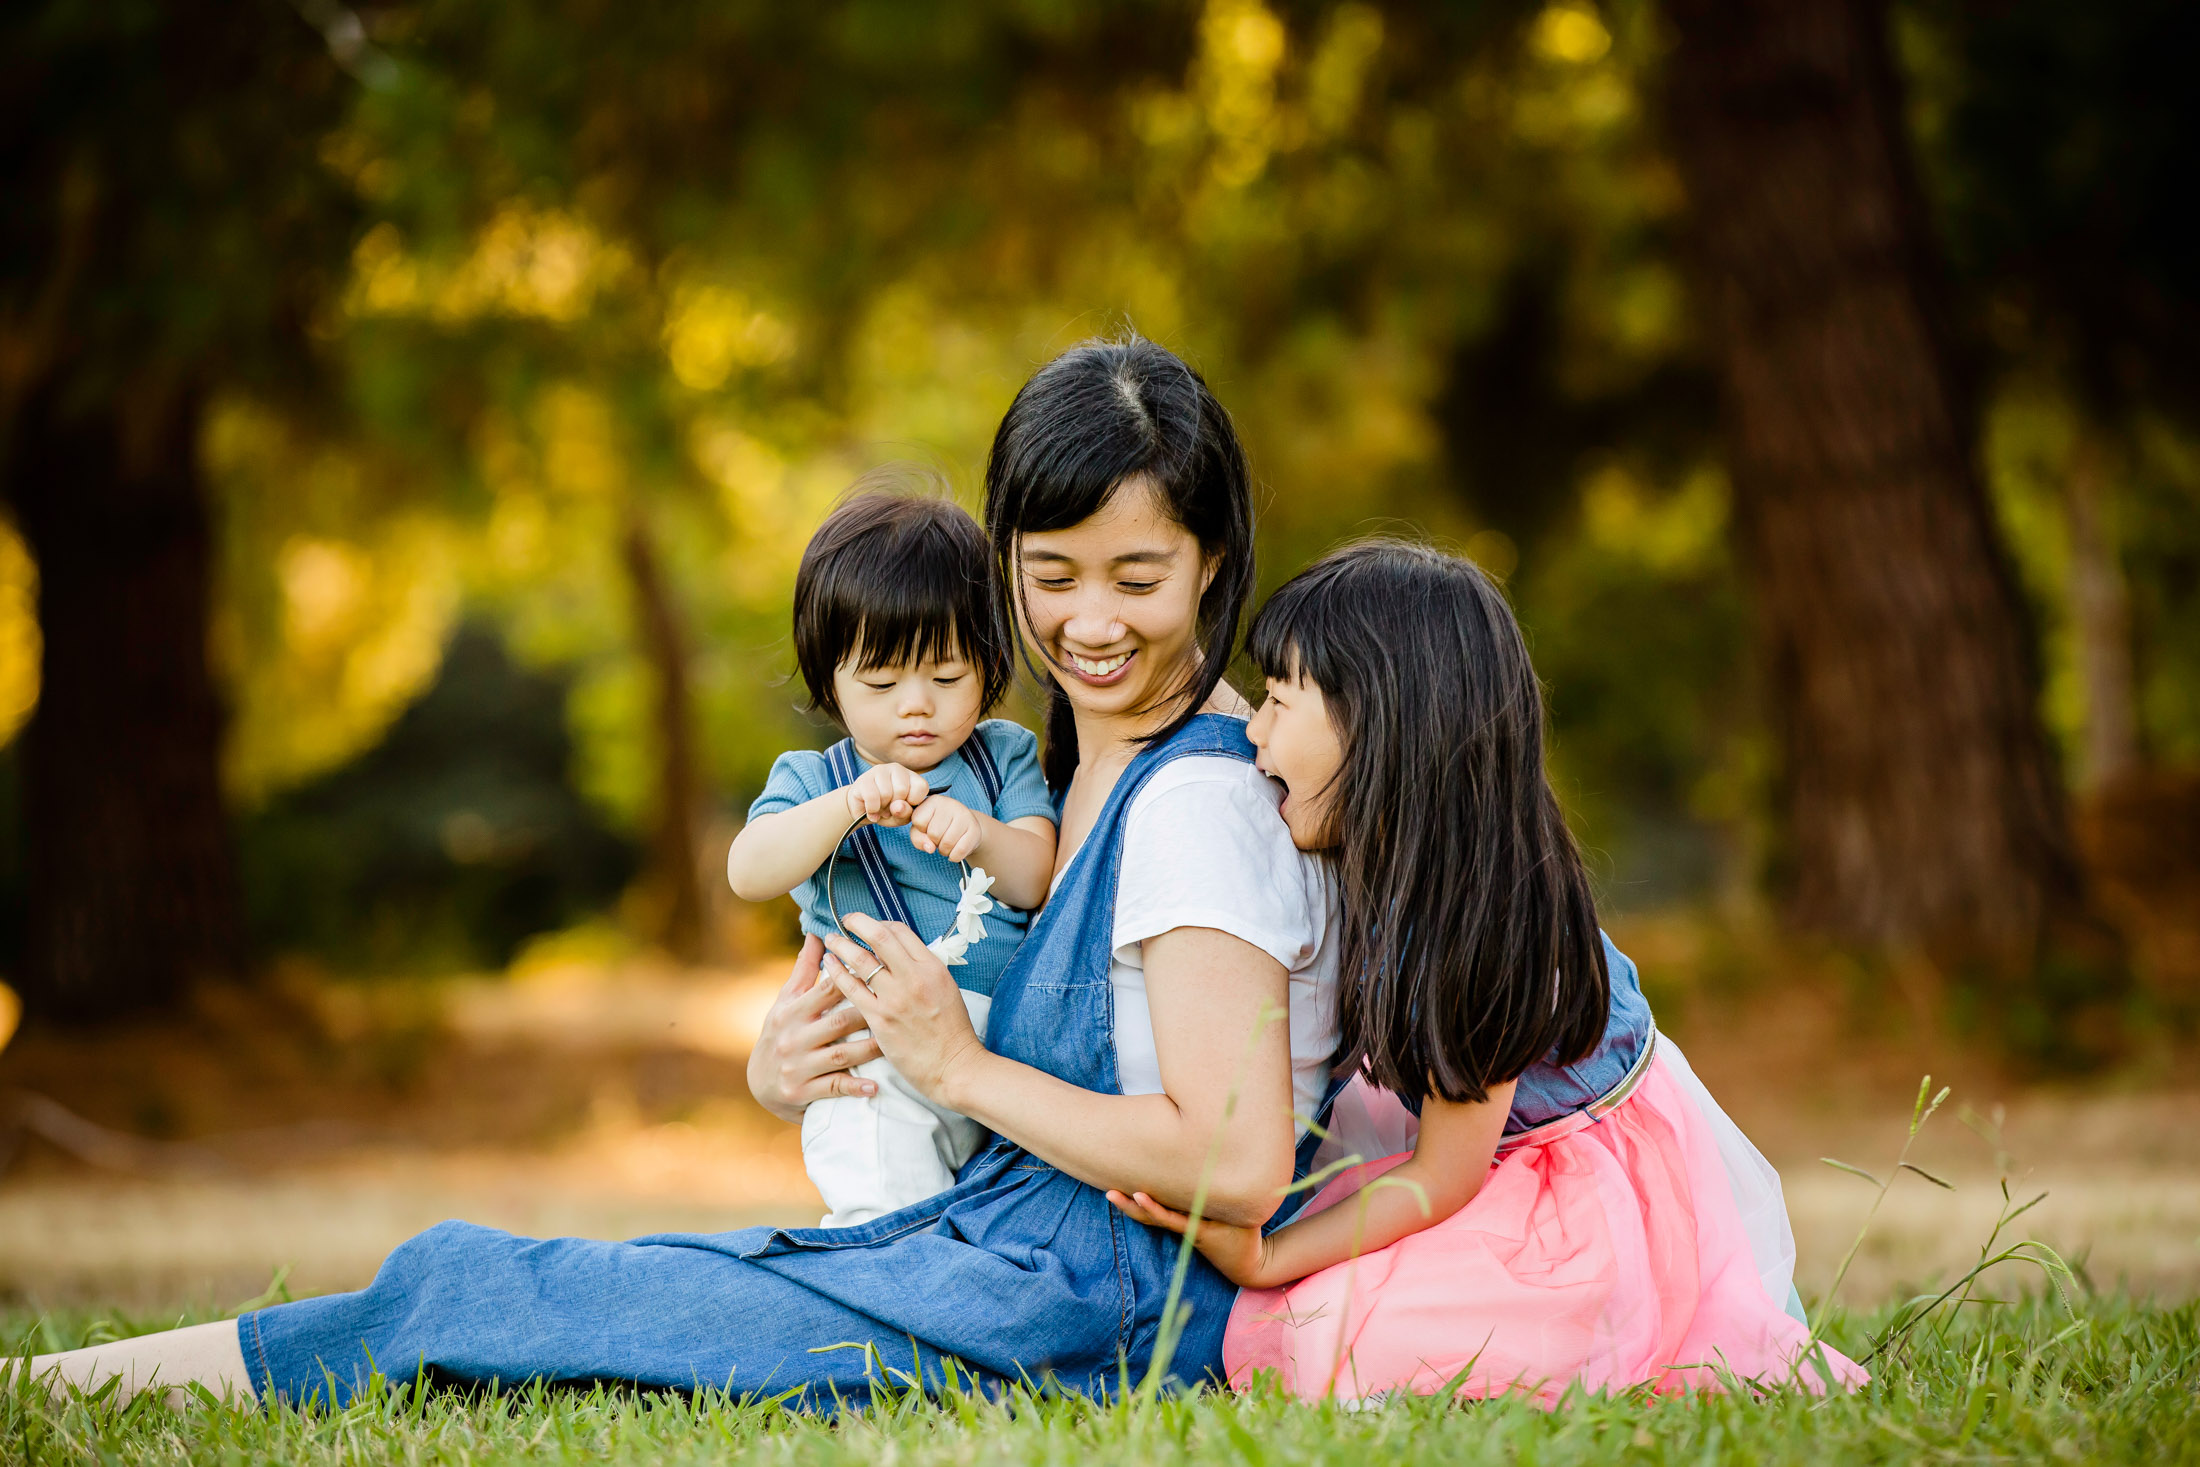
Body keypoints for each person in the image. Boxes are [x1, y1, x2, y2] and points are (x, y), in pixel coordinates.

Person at [9, 335, 1339, 1410]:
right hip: (1007, 1255)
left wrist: (961, 1068)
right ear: (1003, 563)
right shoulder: (1067, 767)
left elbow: (1236, 1157)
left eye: (1139, 576)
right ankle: (69, 1385)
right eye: (1051, 574)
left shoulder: (1198, 804)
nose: (1091, 622)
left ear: (1214, 561)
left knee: (511, 1298)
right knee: (523, 1287)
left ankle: (64, 1387)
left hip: (1076, 1303)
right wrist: (809, 1065)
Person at [1107, 540, 1868, 1404]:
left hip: (1570, 1185)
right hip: (1475, 1139)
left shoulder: (1490, 917)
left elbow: (1441, 1174)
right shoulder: (1395, 846)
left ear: (1380, 726)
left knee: (1330, 1338)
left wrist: (1269, 1254)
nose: (1254, 732)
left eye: (1280, 701)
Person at [727, 489, 1058, 1227]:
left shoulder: (1002, 758)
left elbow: (1038, 874)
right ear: (830, 680)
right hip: (873, 1053)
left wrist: (977, 830)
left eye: (946, 677)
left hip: (1006, 1055)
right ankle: (887, 1297)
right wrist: (846, 808)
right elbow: (748, 870)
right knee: (884, 1195)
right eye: (881, 683)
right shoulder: (816, 781)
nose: (917, 705)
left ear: (990, 662)